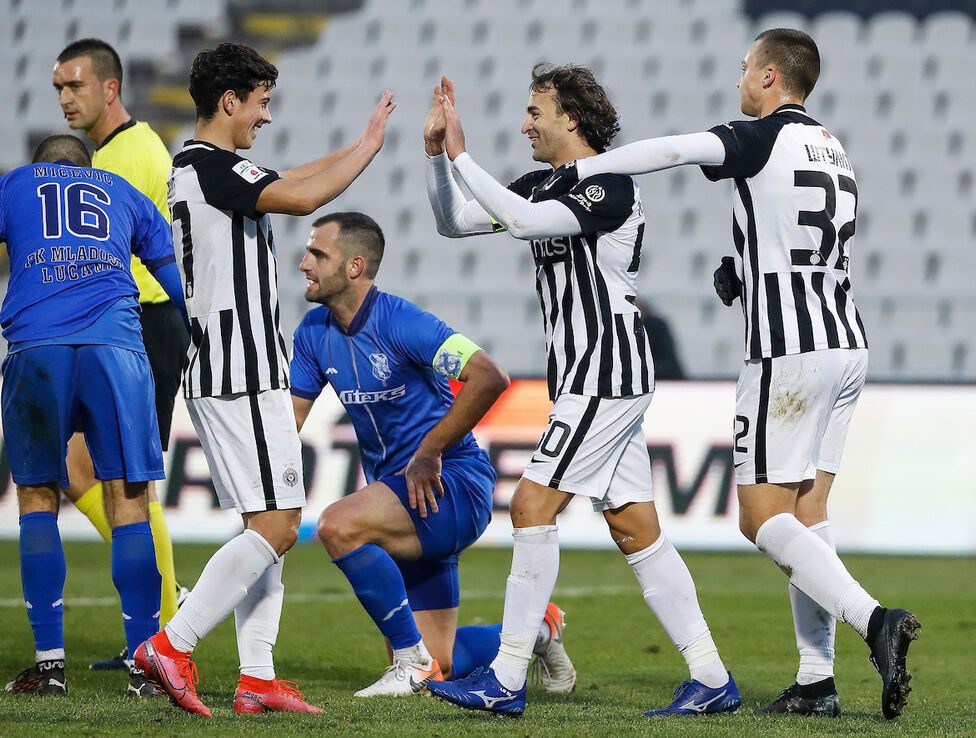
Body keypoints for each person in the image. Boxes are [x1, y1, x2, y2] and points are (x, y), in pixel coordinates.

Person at [553, 28, 920, 720]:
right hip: (846, 342)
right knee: (808, 513)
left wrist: (583, 170)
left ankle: (876, 620)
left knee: (760, 517)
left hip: (788, 351)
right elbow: (804, 240)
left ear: (772, 77)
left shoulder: (761, 137)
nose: (741, 77)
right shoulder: (833, 148)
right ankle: (816, 682)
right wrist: (744, 271)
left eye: (748, 66)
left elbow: (675, 150)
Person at [422, 67, 741, 717]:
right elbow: (455, 222)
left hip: (606, 370)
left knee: (531, 506)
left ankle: (506, 677)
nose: (524, 125)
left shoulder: (609, 184)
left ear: (571, 119)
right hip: (585, 375)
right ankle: (711, 678)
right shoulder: (542, 184)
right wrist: (437, 157)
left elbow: (524, 224)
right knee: (634, 527)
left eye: (534, 112)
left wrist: (462, 153)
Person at [131, 42, 395, 718]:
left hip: (225, 365)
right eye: (261, 103)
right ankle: (173, 644)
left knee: (264, 526)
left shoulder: (200, 168)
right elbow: (301, 195)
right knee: (278, 525)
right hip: (240, 367)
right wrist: (370, 150)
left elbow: (288, 176)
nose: (266, 116)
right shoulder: (212, 167)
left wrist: (356, 144)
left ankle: (257, 679)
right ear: (230, 101)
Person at [290, 211, 576, 698]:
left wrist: (429, 449)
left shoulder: (403, 323)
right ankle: (539, 631)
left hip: (452, 483)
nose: (304, 263)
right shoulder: (313, 332)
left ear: (355, 266)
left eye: (318, 253)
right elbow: (289, 421)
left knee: (338, 526)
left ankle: (409, 662)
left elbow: (490, 376)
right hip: (400, 497)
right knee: (442, 664)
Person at [0, 135, 188, 698]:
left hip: (38, 347)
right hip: (118, 349)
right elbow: (175, 283)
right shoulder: (124, 191)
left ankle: (49, 667)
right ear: (89, 167)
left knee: (37, 497)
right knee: (129, 502)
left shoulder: (13, 185)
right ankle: (146, 669)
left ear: (39, 167)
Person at [52, 36, 189, 672]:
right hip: (124, 328)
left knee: (127, 482)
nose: (64, 98)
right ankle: (164, 601)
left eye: (75, 85)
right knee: (82, 471)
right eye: (58, 87)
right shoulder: (113, 153)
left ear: (110, 88)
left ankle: (164, 620)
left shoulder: (125, 158)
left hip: (142, 325)